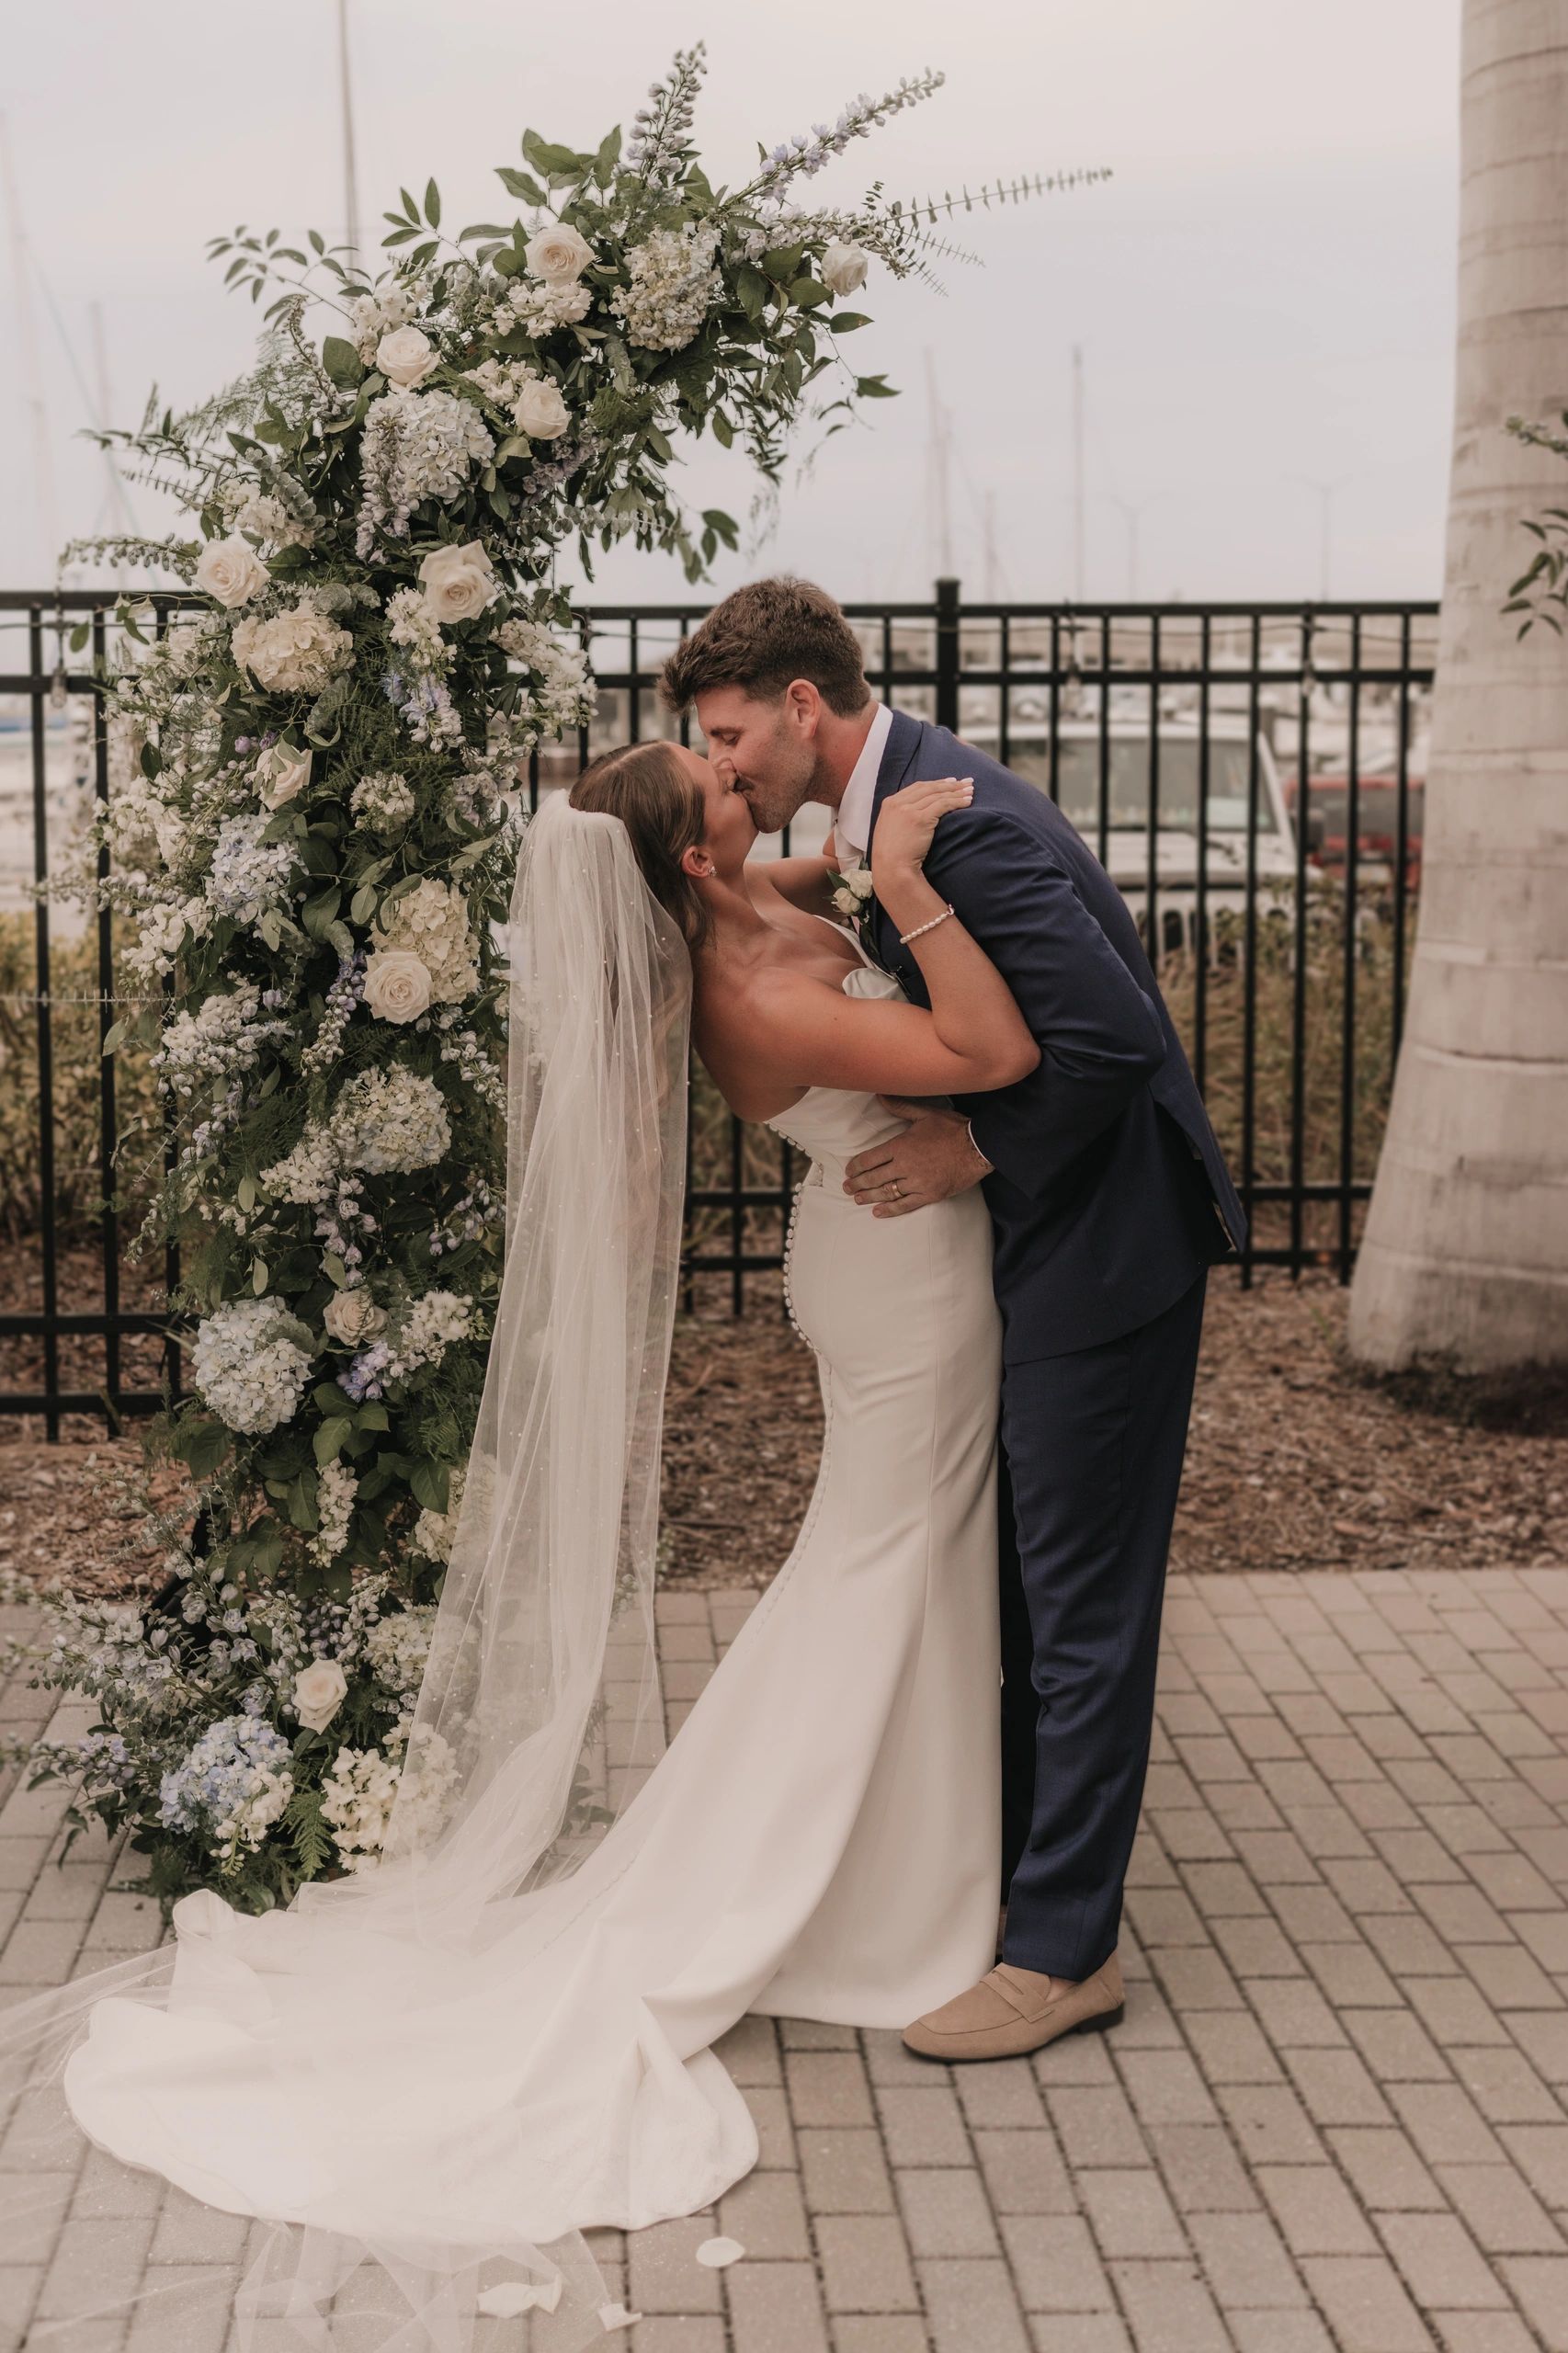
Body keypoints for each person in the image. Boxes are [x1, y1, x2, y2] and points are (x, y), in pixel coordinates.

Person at [660, 575, 1246, 2062]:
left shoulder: (949, 820)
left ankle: (1061, 1957)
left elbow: (1114, 1036)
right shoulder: (872, 823)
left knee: (1076, 1609)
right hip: (1008, 1258)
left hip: (1101, 1252)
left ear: (803, 706)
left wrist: (979, 1151)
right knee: (1028, 1595)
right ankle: (1005, 1892)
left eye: (732, 735)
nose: (727, 767)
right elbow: (781, 904)